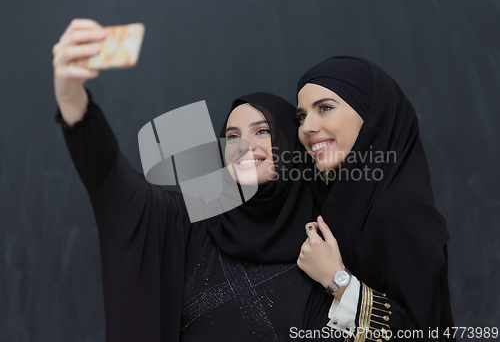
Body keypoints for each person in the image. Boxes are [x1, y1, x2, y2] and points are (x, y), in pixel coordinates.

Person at [52, 19, 347, 342]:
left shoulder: (328, 236)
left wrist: (338, 280)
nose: (244, 145)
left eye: (262, 131)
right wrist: (73, 102)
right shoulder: (194, 218)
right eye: (231, 136)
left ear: (292, 144)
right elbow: (114, 184)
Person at [294, 56, 456, 341]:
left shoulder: (402, 211)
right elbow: (213, 200)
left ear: (370, 114)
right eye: (302, 116)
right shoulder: (330, 198)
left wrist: (337, 280)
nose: (307, 126)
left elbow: (425, 332)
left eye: (325, 108)